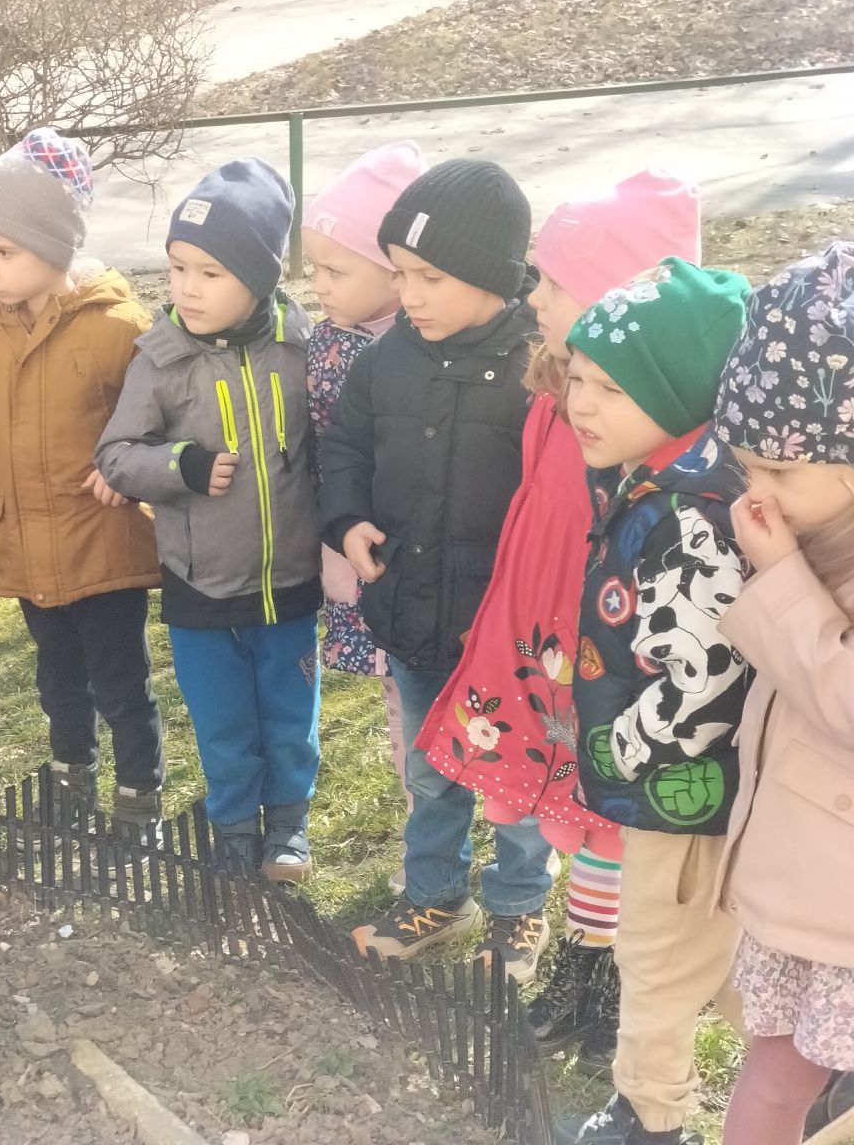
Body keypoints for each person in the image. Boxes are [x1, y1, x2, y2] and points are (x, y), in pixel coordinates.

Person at [415, 170, 704, 1065]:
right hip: (544, 644)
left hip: (601, 651)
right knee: (576, 816)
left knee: (609, 820)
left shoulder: (643, 436)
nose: (533, 297)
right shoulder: (557, 395)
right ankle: (585, 967)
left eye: (553, 281)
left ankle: (607, 979)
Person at [319, 158, 556, 975]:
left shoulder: (538, 365)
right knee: (430, 769)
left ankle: (518, 907)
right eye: (399, 274)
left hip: (506, 630)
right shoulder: (387, 358)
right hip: (414, 609)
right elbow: (345, 448)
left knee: (517, 774)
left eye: (430, 277)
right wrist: (347, 519)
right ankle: (436, 895)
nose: (409, 295)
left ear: (492, 276)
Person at [553, 258, 750, 1145]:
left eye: (612, 388)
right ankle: (818, 1079)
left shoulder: (688, 515)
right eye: (578, 378)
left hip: (684, 793)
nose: (580, 404)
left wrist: (623, 747)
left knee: (658, 955)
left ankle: (648, 1116)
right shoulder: (653, 475)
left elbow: (702, 680)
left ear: (680, 395)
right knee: (726, 954)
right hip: (689, 785)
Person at [95, 158, 321, 881]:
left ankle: (288, 827)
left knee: (290, 717)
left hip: (290, 580)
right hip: (201, 586)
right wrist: (180, 467)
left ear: (259, 277)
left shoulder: (300, 346)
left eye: (210, 272)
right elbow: (115, 455)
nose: (187, 288)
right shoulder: (160, 360)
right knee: (224, 722)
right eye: (177, 268)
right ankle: (233, 827)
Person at [0, 130, 164, 832]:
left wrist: (132, 474)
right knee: (57, 676)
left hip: (105, 544)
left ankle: (139, 792)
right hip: (24, 545)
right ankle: (71, 775)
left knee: (121, 680)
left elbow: (159, 428)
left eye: (4, 251)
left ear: (55, 247)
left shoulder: (119, 327)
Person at [711, 243, 854, 1145]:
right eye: (745, 466)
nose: (755, 494)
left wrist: (782, 578)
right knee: (771, 1082)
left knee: (776, 1084)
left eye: (781, 471)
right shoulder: (819, 535)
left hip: (838, 902)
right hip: (816, 888)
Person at [302, 140, 426, 887]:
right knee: (398, 698)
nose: (317, 285)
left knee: (425, 698)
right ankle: (423, 833)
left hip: (418, 556)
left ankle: (435, 834)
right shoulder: (324, 341)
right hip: (357, 552)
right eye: (314, 268)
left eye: (336, 270)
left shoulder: (419, 351)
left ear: (394, 270)